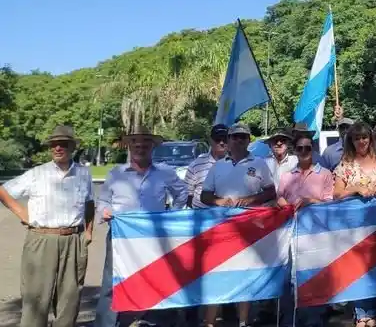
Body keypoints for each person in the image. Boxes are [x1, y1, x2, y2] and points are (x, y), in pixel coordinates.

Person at [0, 126, 94, 327]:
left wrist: (88, 231)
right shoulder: (37, 174)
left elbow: (89, 203)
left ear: (72, 147)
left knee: (70, 298)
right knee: (36, 297)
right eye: (54, 144)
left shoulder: (84, 174)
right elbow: (3, 191)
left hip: (73, 241)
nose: (58, 148)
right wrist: (23, 214)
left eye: (63, 144)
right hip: (41, 240)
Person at [96, 125, 188, 327]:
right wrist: (104, 212)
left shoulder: (165, 172)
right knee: (113, 281)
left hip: (153, 238)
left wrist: (171, 216)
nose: (140, 146)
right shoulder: (115, 174)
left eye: (146, 142)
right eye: (135, 142)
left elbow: (182, 193)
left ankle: (153, 321)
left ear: (153, 147)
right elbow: (103, 201)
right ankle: (107, 323)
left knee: (155, 279)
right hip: (121, 237)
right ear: (129, 145)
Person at [200, 123, 277, 327]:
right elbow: (204, 195)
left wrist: (251, 200)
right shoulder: (218, 166)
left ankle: (243, 322)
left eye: (243, 137)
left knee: (244, 272)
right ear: (229, 140)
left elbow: (271, 192)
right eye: (235, 137)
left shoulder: (259, 163)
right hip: (221, 227)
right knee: (216, 272)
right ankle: (210, 322)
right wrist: (218, 201)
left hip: (249, 226)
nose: (239, 140)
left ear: (249, 140)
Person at [333, 122, 376, 327]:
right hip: (354, 227)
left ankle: (371, 310)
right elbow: (337, 193)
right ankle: (361, 313)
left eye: (364, 137)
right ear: (351, 140)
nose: (361, 141)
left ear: (370, 139)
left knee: (375, 267)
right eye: (357, 138)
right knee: (359, 267)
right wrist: (356, 187)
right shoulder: (345, 164)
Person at [277, 131, 333, 327]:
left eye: (307, 148)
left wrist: (311, 201)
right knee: (290, 278)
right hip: (290, 232)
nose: (303, 152)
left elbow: (330, 203)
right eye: (299, 148)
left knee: (313, 276)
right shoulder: (286, 176)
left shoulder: (325, 174)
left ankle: (314, 320)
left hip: (315, 233)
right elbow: (279, 197)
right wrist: (283, 203)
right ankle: (289, 319)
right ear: (295, 150)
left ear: (313, 150)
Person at [183, 123, 229, 208]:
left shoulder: (236, 163)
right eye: (217, 139)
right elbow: (187, 194)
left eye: (225, 139)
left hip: (226, 216)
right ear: (210, 141)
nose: (222, 143)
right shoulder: (196, 165)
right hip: (200, 216)